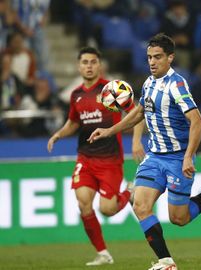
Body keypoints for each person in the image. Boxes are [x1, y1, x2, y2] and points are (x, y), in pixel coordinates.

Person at [87, 33, 201, 270]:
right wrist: (109, 130)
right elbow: (139, 113)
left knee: (179, 218)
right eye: (149, 57)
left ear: (170, 58)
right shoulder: (148, 83)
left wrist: (188, 156)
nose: (152, 62)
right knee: (140, 206)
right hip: (154, 157)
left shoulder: (177, 85)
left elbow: (198, 122)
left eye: (157, 57)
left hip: (178, 158)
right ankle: (167, 262)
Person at [47, 46, 145, 266]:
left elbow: (136, 114)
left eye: (93, 62)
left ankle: (128, 192)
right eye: (85, 62)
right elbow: (73, 122)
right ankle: (103, 253)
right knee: (83, 204)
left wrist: (136, 142)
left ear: (100, 65)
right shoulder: (76, 95)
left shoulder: (111, 90)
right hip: (85, 158)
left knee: (107, 209)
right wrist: (58, 135)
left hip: (110, 160)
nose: (89, 66)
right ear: (79, 66)